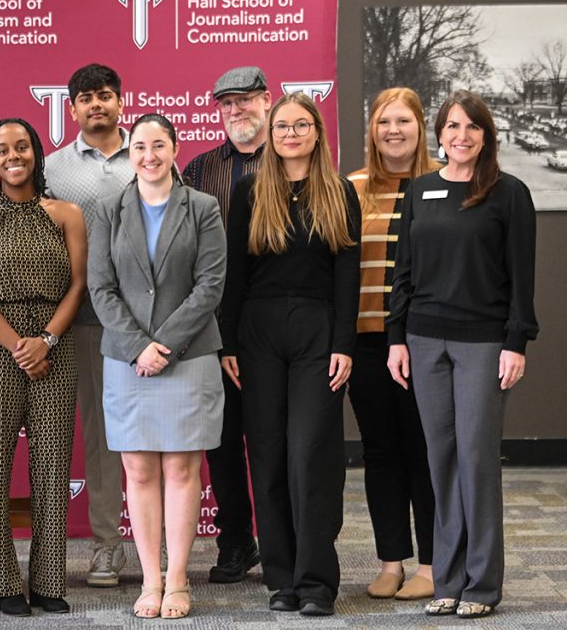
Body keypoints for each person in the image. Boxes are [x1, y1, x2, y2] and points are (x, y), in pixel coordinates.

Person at [386, 90, 538, 619]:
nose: (460, 136)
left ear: (486, 136)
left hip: (483, 343)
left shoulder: (508, 193)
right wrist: (396, 339)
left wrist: (516, 341)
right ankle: (446, 579)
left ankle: (481, 584)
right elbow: (401, 273)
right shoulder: (421, 191)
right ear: (440, 134)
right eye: (452, 127)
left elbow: (522, 276)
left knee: (476, 461)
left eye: (471, 128)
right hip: (424, 341)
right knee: (440, 461)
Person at [219, 92, 360, 617]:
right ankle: (282, 578)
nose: (291, 134)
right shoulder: (252, 190)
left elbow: (349, 275)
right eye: (282, 126)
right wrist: (227, 342)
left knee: (311, 454)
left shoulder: (338, 192)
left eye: (301, 125)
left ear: (317, 132)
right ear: (271, 135)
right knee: (270, 454)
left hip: (317, 331)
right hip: (258, 332)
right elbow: (235, 273)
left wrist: (343, 344)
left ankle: (317, 581)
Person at [90, 114, 227, 619]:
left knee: (183, 469)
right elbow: (100, 288)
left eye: (158, 146)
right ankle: (150, 581)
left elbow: (210, 286)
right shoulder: (108, 210)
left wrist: (162, 344)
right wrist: (136, 346)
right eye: (139, 147)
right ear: (130, 154)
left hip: (187, 356)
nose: (149, 155)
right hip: (128, 361)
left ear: (174, 149)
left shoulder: (204, 208)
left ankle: (178, 579)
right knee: (140, 471)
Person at [0, 118, 87, 616]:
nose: (13, 156)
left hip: (56, 344)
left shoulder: (67, 214)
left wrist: (46, 340)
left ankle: (49, 580)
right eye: (2, 149)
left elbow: (78, 284)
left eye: (22, 146)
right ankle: (3, 581)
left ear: (36, 152)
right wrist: (19, 346)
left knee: (53, 466)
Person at [45, 63, 134, 587]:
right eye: (84, 98)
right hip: (75, 321)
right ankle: (85, 550)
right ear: (72, 109)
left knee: (131, 441)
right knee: (79, 439)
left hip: (140, 325)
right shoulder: (53, 169)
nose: (95, 104)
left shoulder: (147, 154)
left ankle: (132, 546)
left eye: (104, 95)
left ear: (119, 101)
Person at [182, 65, 271, 584]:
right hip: (214, 331)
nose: (235, 111)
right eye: (225, 104)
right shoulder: (198, 171)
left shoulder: (288, 160)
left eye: (244, 101)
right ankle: (236, 540)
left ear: (266, 100)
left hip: (274, 325)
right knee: (220, 442)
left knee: (271, 440)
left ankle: (281, 537)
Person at [347, 89, 437, 601]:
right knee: (380, 452)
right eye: (384, 121)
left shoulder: (444, 183)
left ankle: (430, 564)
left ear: (421, 126)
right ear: (373, 129)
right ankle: (390, 562)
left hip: (424, 340)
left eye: (404, 120)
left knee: (423, 451)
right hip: (365, 340)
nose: (393, 130)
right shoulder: (354, 187)